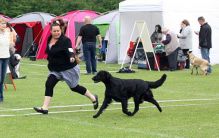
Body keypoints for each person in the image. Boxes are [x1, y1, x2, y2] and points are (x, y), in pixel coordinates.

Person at [33, 19, 98, 114]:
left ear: (61, 30)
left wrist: (72, 57)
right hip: (55, 69)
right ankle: (45, 108)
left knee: (74, 87)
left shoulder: (65, 40)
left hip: (68, 68)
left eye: (58, 31)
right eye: (54, 31)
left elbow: (70, 50)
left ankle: (93, 98)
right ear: (51, 31)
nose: (56, 33)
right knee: (49, 84)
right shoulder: (49, 38)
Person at [0, 18, 15, 102]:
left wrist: (12, 45)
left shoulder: (7, 33)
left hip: (6, 57)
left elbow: (10, 44)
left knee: (2, 79)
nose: (3, 25)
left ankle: (1, 97)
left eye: (4, 24)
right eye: (2, 23)